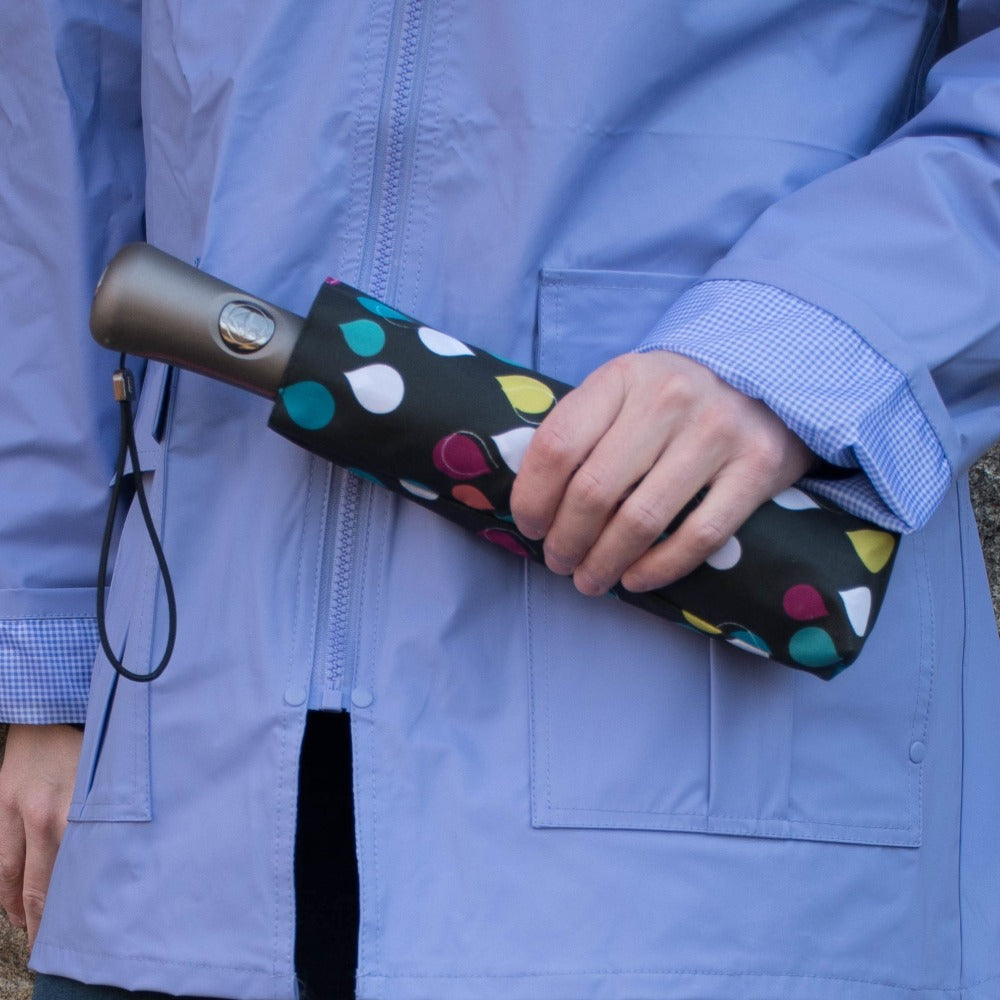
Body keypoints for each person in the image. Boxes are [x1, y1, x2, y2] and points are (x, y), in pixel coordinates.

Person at [2, 1, 999, 998]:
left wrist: (811, 347)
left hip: (710, 842)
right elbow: (56, 136)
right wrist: (49, 659)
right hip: (179, 802)